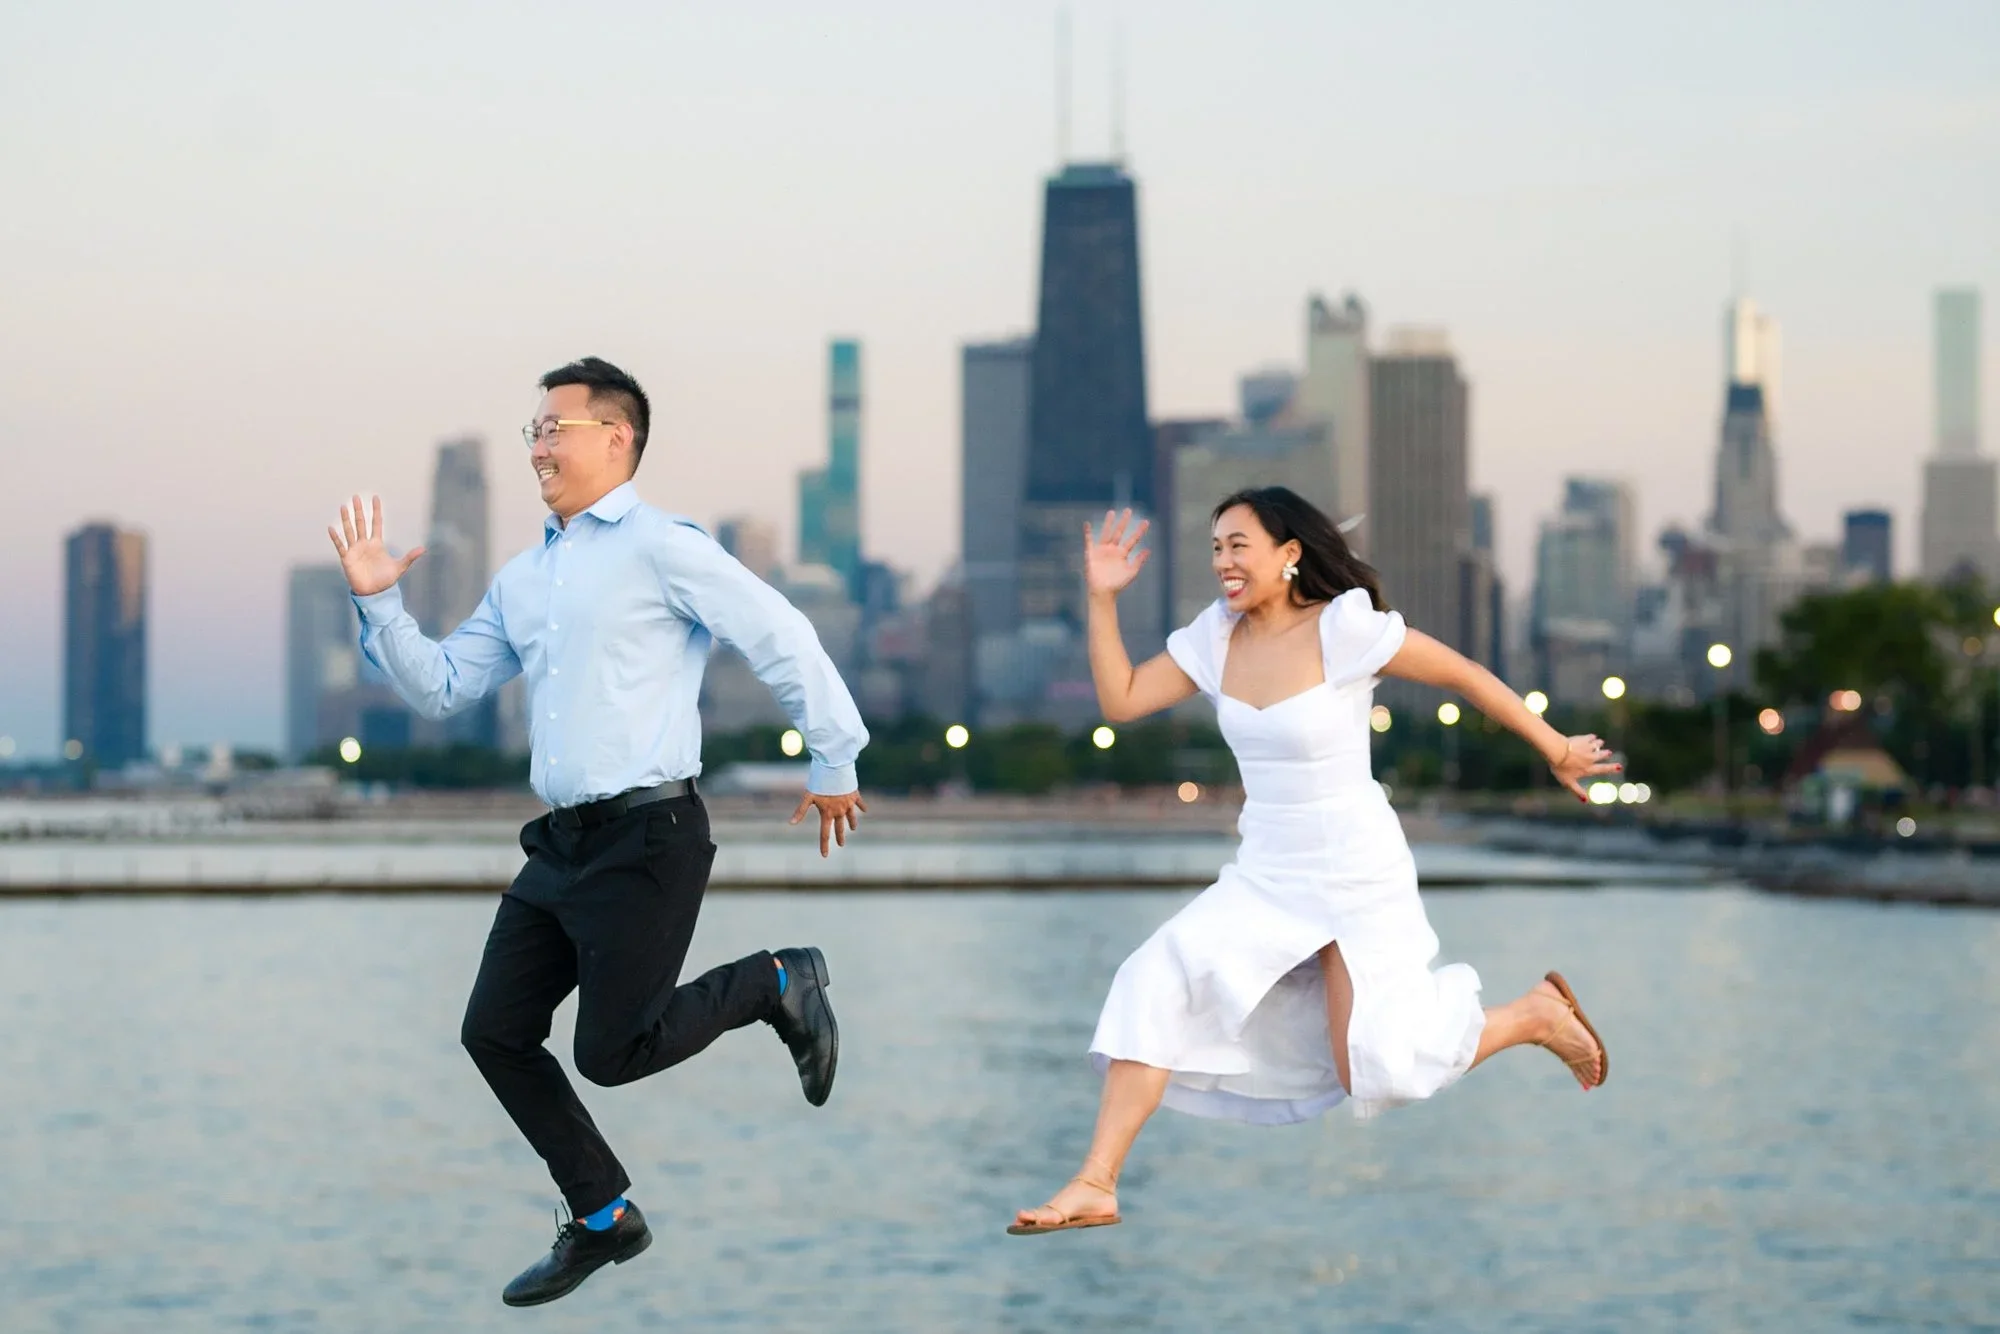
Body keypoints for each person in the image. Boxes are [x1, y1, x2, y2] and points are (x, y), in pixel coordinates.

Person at [326, 356, 868, 1304]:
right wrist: (379, 601)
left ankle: (781, 981)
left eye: (555, 429)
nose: (538, 444)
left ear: (616, 438)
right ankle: (605, 1216)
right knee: (493, 1031)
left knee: (611, 1055)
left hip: (651, 835)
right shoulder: (526, 577)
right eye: (531, 430)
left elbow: (780, 633)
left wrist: (834, 757)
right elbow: (445, 687)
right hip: (561, 846)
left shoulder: (665, 546)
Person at [1010, 488, 1616, 1236]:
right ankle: (1095, 1182)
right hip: (1268, 872)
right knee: (1152, 975)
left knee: (1377, 1070)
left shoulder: (1342, 628)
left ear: (1289, 554)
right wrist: (1101, 600)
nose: (1223, 562)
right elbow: (1124, 700)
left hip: (1356, 866)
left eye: (1239, 546)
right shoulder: (1214, 637)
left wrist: (1556, 747)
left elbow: (1462, 673)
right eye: (1215, 548)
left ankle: (1531, 1017)